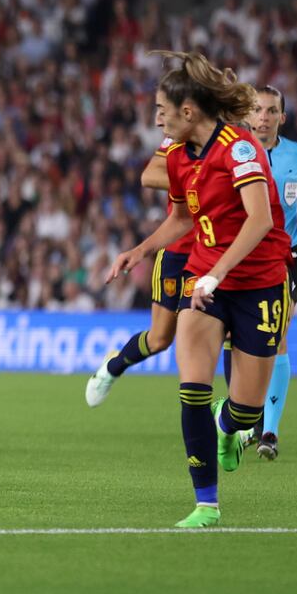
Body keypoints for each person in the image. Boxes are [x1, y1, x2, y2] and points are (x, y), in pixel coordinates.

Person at [106, 51, 291, 528]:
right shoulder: (180, 158)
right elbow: (183, 219)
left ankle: (231, 427)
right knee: (192, 388)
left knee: (246, 410)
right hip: (206, 279)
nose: (157, 119)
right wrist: (140, 251)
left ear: (188, 112)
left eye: (161, 110)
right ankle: (205, 504)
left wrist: (219, 273)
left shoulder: (239, 148)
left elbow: (260, 220)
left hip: (260, 282)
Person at [227, 85, 297, 459]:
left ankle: (269, 433)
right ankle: (247, 420)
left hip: (287, 254)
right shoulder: (237, 151)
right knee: (240, 340)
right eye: (258, 110)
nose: (264, 117)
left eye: (271, 111)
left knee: (279, 334)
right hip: (245, 254)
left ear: (282, 117)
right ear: (248, 115)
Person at [85, 137, 193, 406]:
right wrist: (197, 179)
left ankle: (243, 421)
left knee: (214, 334)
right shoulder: (180, 136)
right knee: (159, 339)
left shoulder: (235, 142)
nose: (161, 119)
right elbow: (150, 174)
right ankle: (114, 365)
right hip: (177, 252)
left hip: (215, 254)